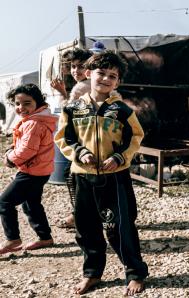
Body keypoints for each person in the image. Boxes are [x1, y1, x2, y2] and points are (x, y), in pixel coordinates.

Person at [54, 51, 148, 296]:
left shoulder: (122, 110)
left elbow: (135, 138)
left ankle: (135, 273)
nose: (106, 79)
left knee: (120, 227)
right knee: (86, 227)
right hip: (81, 176)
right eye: (101, 73)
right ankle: (92, 273)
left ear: (117, 82)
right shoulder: (72, 109)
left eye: (112, 76)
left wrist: (119, 157)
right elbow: (64, 138)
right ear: (88, 74)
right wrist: (79, 152)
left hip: (114, 177)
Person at [0, 84, 57, 254]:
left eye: (27, 103)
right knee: (31, 204)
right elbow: (26, 142)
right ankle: (45, 237)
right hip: (41, 170)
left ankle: (13, 240)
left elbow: (27, 150)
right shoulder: (36, 119)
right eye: (17, 104)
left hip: (31, 171)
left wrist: (10, 158)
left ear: (37, 103)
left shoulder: (34, 123)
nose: (21, 108)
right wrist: (12, 148)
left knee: (4, 202)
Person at [50, 48, 93, 229]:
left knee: (74, 178)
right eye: (73, 67)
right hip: (90, 138)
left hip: (81, 140)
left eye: (80, 66)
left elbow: (68, 110)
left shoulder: (82, 86)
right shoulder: (90, 84)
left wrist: (62, 93)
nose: (76, 71)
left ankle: (79, 216)